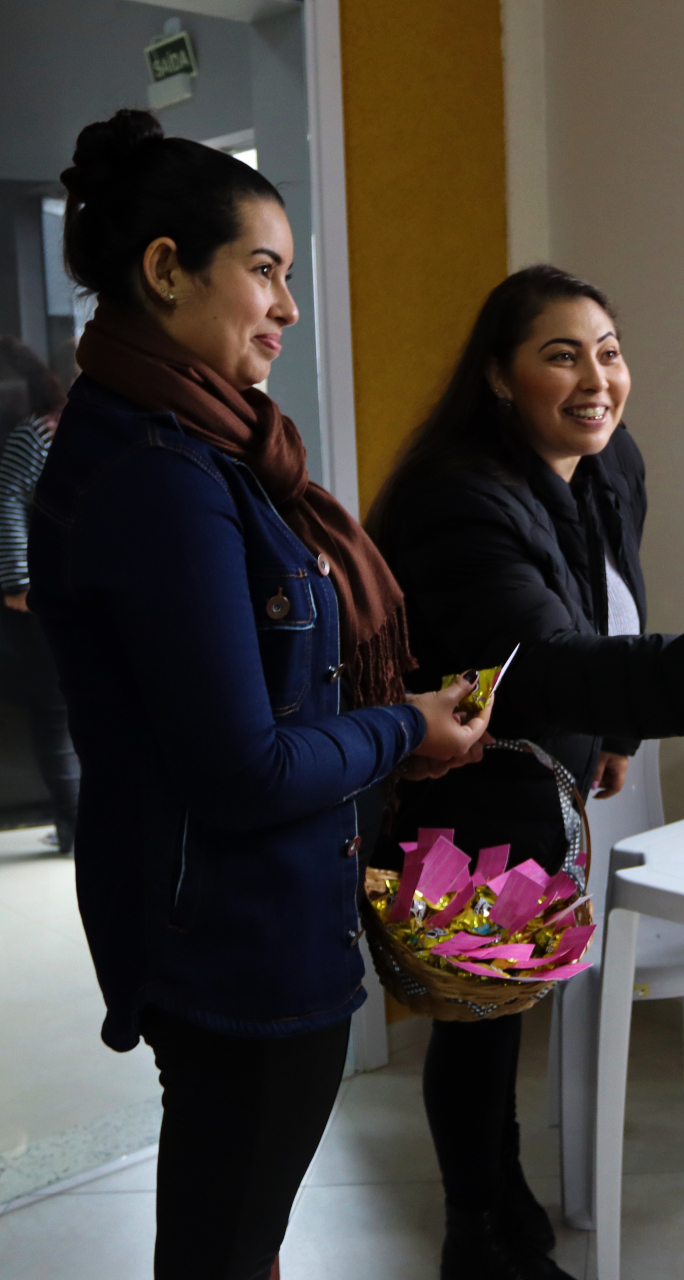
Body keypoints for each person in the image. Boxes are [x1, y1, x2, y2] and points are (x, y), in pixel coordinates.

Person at [29, 109, 492, 1280]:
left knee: (236, 1233)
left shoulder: (203, 447)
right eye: (265, 271)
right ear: (165, 270)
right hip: (234, 939)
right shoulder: (157, 477)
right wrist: (404, 724)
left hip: (245, 916)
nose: (288, 306)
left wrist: (389, 728)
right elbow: (244, 769)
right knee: (226, 1243)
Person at [367, 264, 684, 1279]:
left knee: (506, 1008)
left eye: (608, 352)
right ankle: (477, 1237)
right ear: (496, 374)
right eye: (560, 355)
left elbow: (605, 609)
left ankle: (505, 1206)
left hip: (540, 777)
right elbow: (540, 661)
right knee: (479, 1014)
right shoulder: (457, 500)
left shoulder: (607, 466)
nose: (596, 378)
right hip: (455, 794)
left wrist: (617, 734)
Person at [0, 339, 79, 851]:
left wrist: (17, 584)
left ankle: (78, 825)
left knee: (59, 712)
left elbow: (6, 502)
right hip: (57, 593)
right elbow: (7, 503)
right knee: (61, 710)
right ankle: (77, 824)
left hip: (56, 593)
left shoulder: (40, 430)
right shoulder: (52, 427)